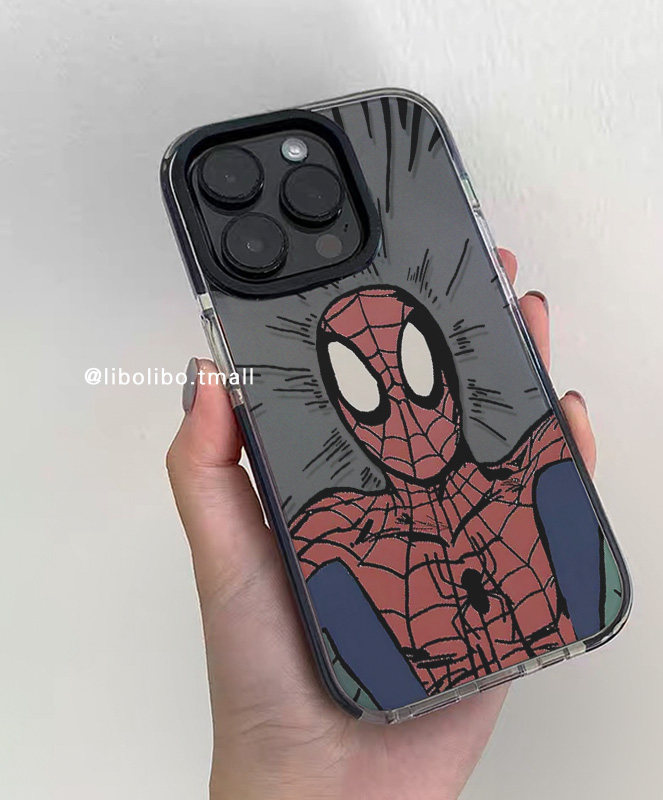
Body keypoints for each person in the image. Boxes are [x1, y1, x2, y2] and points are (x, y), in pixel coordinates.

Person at [167, 249, 596, 800]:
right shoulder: (339, 546)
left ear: (445, 374)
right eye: (365, 391)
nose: (406, 414)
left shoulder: (541, 479)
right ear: (347, 413)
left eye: (416, 372)